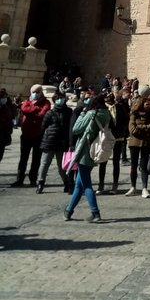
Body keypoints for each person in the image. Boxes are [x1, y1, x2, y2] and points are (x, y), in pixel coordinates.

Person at [64, 94, 111, 222]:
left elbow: (76, 129)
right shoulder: (107, 114)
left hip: (85, 150)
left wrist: (83, 114)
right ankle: (69, 210)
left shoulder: (91, 114)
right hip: (95, 150)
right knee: (79, 184)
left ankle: (95, 213)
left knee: (87, 185)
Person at [11, 84, 51, 187]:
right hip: (26, 135)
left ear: (41, 92)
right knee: (23, 158)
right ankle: (19, 179)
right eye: (33, 92)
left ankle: (33, 179)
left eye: (37, 92)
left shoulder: (46, 102)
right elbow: (24, 109)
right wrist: (36, 108)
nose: (35, 94)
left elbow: (43, 113)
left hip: (38, 135)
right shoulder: (27, 101)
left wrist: (32, 108)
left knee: (36, 159)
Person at [36, 91, 71, 192]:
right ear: (55, 101)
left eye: (62, 98)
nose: (60, 100)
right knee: (44, 163)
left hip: (62, 143)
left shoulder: (68, 112)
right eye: (58, 99)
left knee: (62, 166)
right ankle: (40, 183)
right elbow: (43, 127)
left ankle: (66, 183)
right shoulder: (50, 113)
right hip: (49, 142)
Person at [125, 90, 150, 197]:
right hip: (134, 142)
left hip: (146, 142)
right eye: (147, 104)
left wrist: (144, 128)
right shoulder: (134, 114)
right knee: (133, 166)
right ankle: (133, 187)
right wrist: (147, 127)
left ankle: (144, 188)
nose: (149, 106)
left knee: (144, 166)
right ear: (142, 104)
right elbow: (132, 130)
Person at [100, 88, 130, 194]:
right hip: (106, 137)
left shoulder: (119, 107)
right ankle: (101, 185)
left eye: (110, 95)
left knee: (116, 162)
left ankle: (115, 185)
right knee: (103, 161)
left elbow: (126, 120)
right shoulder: (102, 108)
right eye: (107, 96)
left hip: (118, 137)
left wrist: (124, 132)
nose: (109, 97)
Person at [0, 87, 17, 165]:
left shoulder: (7, 107)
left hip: (3, 136)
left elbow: (11, 117)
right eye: (3, 97)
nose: (4, 99)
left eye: (5, 97)